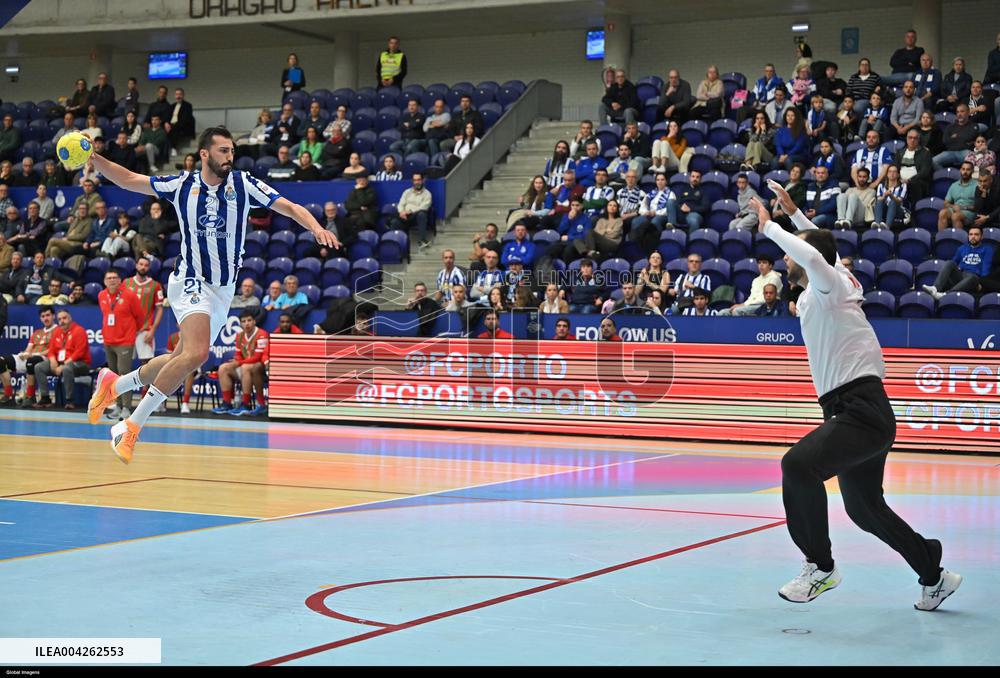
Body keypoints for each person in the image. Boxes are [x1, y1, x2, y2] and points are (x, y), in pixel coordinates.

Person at [751, 185, 961, 610]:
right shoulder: (838, 280)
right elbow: (820, 251)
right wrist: (798, 217)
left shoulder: (827, 287)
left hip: (859, 411)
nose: (785, 258)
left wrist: (772, 226)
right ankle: (933, 573)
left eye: (790, 252)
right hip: (861, 413)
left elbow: (813, 256)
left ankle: (820, 567)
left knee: (796, 466)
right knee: (865, 510)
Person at [85, 126, 339, 463]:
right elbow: (129, 179)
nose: (229, 157)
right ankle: (130, 426)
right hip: (191, 278)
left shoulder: (244, 184)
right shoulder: (183, 185)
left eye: (231, 151)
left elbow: (290, 207)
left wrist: (317, 227)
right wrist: (93, 158)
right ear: (204, 154)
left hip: (223, 290)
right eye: (222, 151)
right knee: (197, 354)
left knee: (180, 356)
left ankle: (114, 385)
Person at [99, 269, 144, 418]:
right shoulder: (102, 295)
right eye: (108, 278)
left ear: (120, 280)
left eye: (114, 277)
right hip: (108, 341)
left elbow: (140, 317)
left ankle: (126, 407)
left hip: (125, 342)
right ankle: (117, 406)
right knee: (113, 376)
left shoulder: (130, 295)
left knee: (124, 375)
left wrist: (131, 332)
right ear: (105, 281)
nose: (112, 280)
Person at [212, 310, 269, 416]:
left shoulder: (262, 334)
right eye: (243, 321)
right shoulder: (239, 336)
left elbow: (257, 357)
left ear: (254, 322)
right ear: (240, 324)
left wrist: (238, 363)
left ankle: (246, 404)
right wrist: (237, 360)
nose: (246, 323)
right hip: (244, 366)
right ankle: (227, 403)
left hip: (258, 368)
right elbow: (238, 354)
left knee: (245, 367)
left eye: (249, 320)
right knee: (223, 368)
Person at [33, 309, 91, 410]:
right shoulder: (57, 331)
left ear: (70, 318)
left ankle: (69, 400)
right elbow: (51, 350)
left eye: (64, 318)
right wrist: (52, 360)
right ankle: (45, 398)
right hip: (60, 363)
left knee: (67, 369)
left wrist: (63, 365)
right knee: (39, 367)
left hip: (80, 363)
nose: (62, 321)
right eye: (59, 319)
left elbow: (79, 352)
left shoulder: (79, 331)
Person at [0, 305, 56, 406]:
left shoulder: (58, 331)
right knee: (1, 361)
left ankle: (31, 397)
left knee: (31, 361)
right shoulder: (37, 332)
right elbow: (29, 348)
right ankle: (8, 396)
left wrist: (32, 354)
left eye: (48, 315)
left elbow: (52, 350)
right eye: (43, 316)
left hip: (46, 359)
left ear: (53, 316)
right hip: (31, 356)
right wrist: (24, 354)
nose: (45, 318)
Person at [123, 256, 165, 379]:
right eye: (141, 264)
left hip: (145, 330)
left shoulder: (155, 286)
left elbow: (160, 308)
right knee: (124, 365)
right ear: (136, 265)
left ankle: (145, 396)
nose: (143, 267)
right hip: (127, 331)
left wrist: (152, 330)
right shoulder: (126, 283)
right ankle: (122, 396)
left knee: (147, 365)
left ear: (149, 267)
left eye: (146, 265)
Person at [630, 173, 676, 253]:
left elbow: (670, 208)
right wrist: (645, 212)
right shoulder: (651, 193)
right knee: (636, 221)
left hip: (662, 215)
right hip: (649, 214)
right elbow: (643, 205)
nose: (660, 182)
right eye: (658, 180)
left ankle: (657, 243)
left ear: (666, 181)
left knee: (655, 220)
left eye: (662, 180)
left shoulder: (671, 193)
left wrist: (656, 212)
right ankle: (635, 245)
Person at [391, 172, 433, 249]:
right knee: (394, 222)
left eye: (419, 180)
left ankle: (422, 240)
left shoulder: (427, 194)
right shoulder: (407, 192)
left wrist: (410, 211)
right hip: (405, 216)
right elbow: (401, 204)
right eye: (415, 180)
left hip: (416, 217)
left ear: (423, 180)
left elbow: (424, 207)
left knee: (422, 214)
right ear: (412, 181)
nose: (417, 182)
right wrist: (401, 212)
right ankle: (396, 246)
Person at [894, 128, 934, 203]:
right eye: (910, 137)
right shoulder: (900, 152)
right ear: (906, 139)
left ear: (919, 140)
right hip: (900, 181)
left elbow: (925, 172)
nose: (912, 140)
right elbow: (895, 167)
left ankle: (913, 211)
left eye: (915, 138)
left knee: (916, 184)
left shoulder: (925, 153)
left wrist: (909, 180)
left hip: (916, 182)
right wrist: (898, 179)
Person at [936, 161, 977, 230]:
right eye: (963, 169)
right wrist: (953, 206)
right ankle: (942, 237)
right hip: (955, 210)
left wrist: (962, 208)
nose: (965, 172)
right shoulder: (954, 185)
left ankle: (959, 239)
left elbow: (978, 206)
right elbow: (946, 203)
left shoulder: (977, 185)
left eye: (968, 169)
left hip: (970, 212)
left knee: (955, 216)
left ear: (972, 171)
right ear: (960, 170)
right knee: (942, 213)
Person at [873, 165, 909, 229]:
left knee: (893, 202)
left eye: (894, 172)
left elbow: (899, 201)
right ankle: (877, 224)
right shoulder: (881, 185)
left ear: (898, 174)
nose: (892, 174)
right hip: (885, 210)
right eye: (890, 172)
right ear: (887, 174)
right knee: (880, 201)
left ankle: (887, 226)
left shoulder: (903, 185)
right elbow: (879, 199)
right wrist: (884, 196)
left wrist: (891, 196)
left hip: (898, 211)